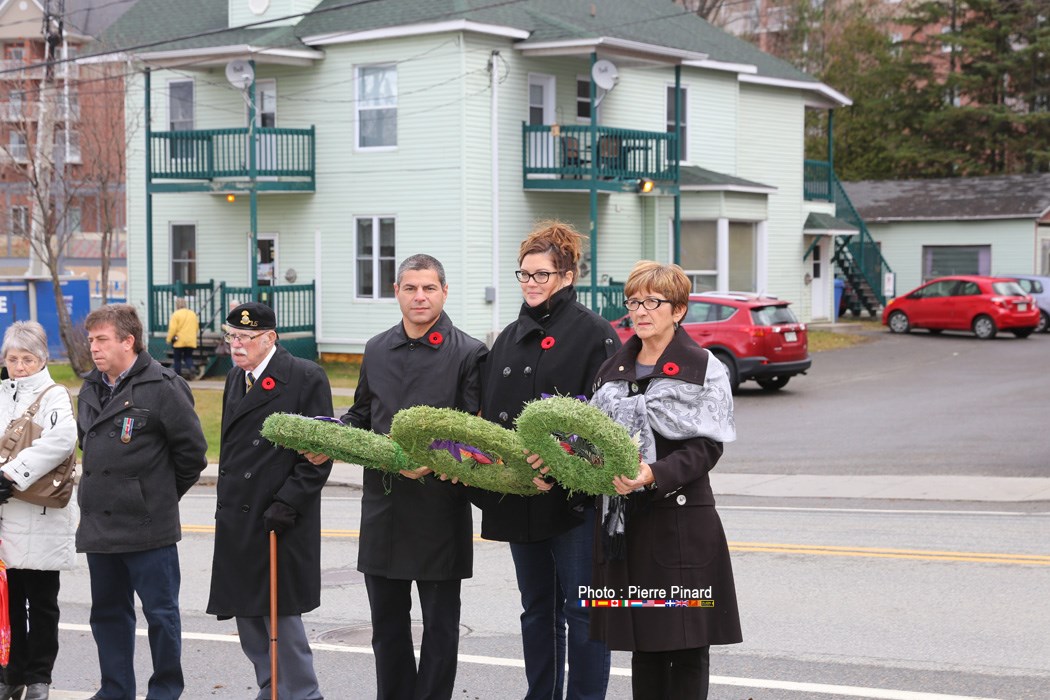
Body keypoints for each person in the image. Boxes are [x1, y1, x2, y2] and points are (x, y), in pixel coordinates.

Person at [307, 254, 486, 700]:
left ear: (445, 291)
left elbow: (474, 433)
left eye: (429, 288)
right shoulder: (376, 348)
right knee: (386, 627)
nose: (419, 296)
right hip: (383, 507)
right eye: (410, 288)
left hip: (439, 508)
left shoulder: (469, 353)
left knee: (440, 628)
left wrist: (434, 460)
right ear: (397, 292)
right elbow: (362, 414)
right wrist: (330, 439)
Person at [475, 221, 619, 700]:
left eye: (542, 274)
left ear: (567, 276)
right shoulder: (508, 338)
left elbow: (609, 423)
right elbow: (492, 419)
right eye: (525, 274)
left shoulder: (594, 334)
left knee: (583, 611)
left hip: (575, 502)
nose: (531, 283)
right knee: (537, 610)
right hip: (522, 497)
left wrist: (560, 460)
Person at [589, 261, 741, 699]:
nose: (640, 311)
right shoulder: (611, 370)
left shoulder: (703, 367)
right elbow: (592, 440)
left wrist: (653, 473)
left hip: (682, 526)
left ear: (678, 310)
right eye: (633, 301)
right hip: (627, 525)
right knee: (645, 645)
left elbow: (707, 448)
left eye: (652, 302)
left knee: (689, 644)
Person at [76, 303, 208, 700]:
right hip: (100, 527)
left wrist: (154, 497)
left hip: (149, 529)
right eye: (91, 340)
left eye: (102, 340)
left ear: (128, 341)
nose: (94, 348)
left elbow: (192, 455)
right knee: (107, 616)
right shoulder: (90, 386)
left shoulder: (163, 386)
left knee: (161, 616)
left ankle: (165, 691)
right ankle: (115, 690)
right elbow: (88, 445)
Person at [206, 302, 334, 700]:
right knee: (246, 611)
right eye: (231, 336)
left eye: (246, 337)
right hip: (239, 515)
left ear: (270, 338)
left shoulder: (304, 376)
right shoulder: (236, 378)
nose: (236, 345)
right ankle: (271, 687)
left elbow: (320, 453)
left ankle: (302, 693)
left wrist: (288, 502)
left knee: (280, 616)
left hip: (279, 515)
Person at [0, 322, 78, 700]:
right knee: (8, 602)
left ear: (43, 359)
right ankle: (11, 673)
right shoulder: (2, 394)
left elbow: (61, 441)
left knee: (43, 602)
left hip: (40, 512)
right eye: (13, 359)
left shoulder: (54, 395)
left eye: (27, 359)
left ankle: (39, 678)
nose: (20, 366)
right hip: (6, 515)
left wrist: (11, 474)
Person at [166, 297, 199, 379]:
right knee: (188, 357)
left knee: (177, 359)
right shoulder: (192, 313)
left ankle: (177, 377)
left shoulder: (176, 314)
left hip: (179, 341)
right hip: (191, 340)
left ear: (177, 305)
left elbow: (173, 329)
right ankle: (191, 367)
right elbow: (196, 327)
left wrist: (169, 339)